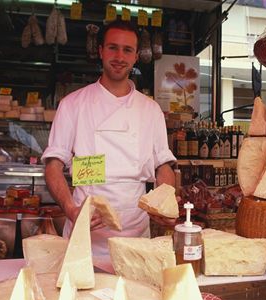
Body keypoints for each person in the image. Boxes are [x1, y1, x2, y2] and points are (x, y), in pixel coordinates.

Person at [41, 20, 177, 272]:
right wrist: (71, 209)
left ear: (136, 56)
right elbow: (53, 164)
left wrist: (166, 202)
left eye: (127, 50)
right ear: (101, 51)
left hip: (135, 237)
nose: (119, 57)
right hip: (86, 237)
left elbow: (163, 165)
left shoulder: (150, 109)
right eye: (113, 48)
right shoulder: (73, 104)